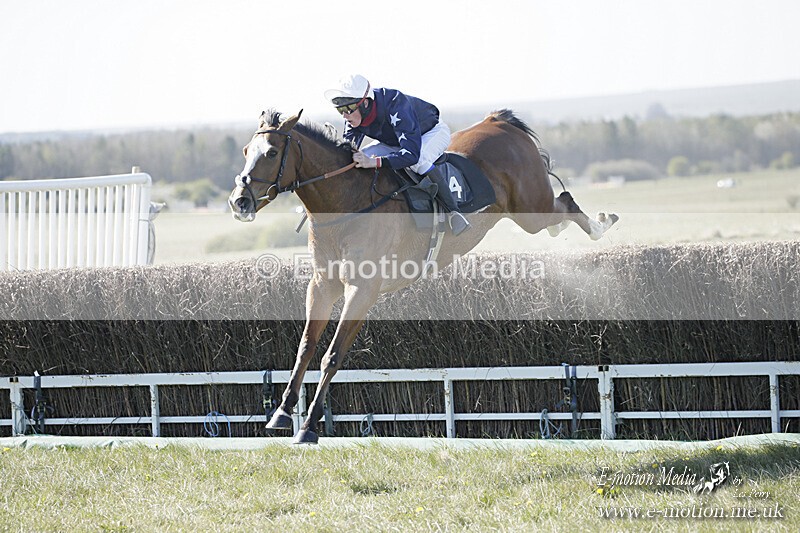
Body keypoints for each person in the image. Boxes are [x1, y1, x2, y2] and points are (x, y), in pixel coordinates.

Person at [324, 74, 470, 235]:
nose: (345, 115)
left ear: (365, 103)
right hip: (394, 142)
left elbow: (411, 155)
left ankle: (454, 213)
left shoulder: (395, 104)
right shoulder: (353, 117)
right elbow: (349, 152)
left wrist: (375, 162)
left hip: (430, 133)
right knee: (359, 158)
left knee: (419, 161)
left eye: (348, 109)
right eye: (340, 110)